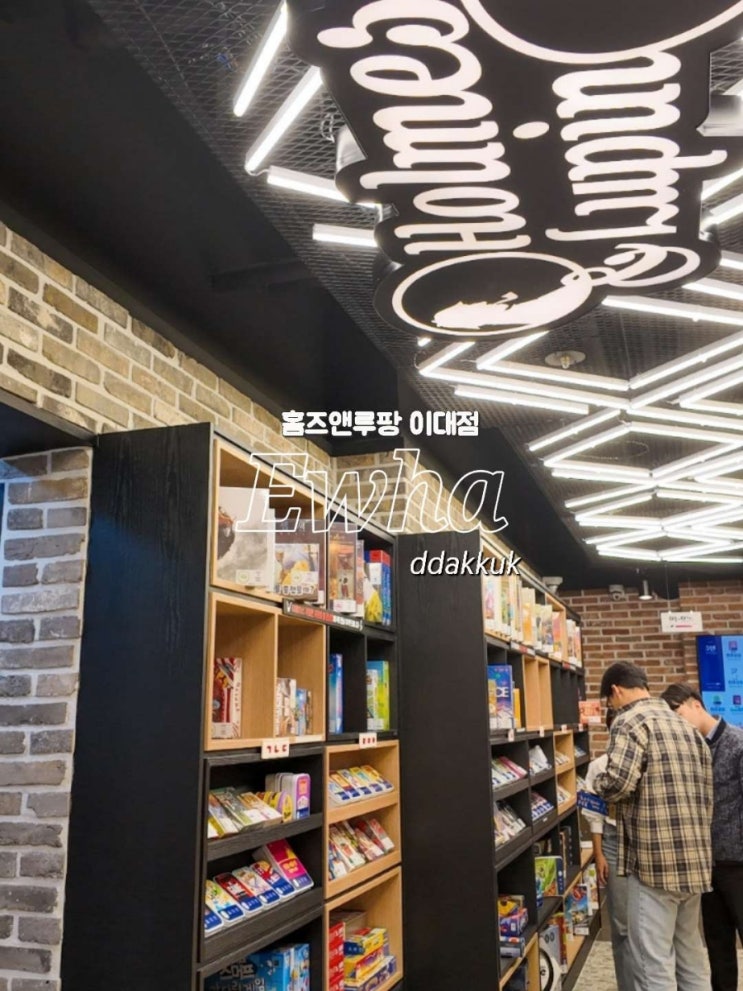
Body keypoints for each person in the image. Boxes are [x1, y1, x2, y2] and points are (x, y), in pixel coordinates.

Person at [593, 661, 713, 991]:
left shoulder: (629, 721)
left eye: (609, 701)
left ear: (615, 691)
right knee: (691, 955)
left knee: (652, 961)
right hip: (695, 860)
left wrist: (596, 785)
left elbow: (618, 784)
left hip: (653, 863)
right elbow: (708, 794)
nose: (612, 708)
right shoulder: (686, 727)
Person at [661, 682, 743, 991]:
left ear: (696, 704)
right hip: (705, 865)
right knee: (718, 946)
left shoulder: (737, 743)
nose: (678, 724)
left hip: (738, 863)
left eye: (679, 714)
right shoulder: (689, 749)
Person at [581, 708, 632, 991]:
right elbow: (594, 816)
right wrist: (599, 854)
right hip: (612, 841)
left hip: (644, 840)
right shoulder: (598, 767)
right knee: (621, 922)